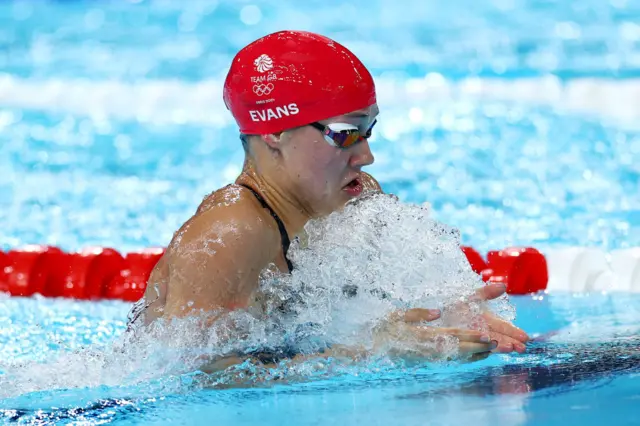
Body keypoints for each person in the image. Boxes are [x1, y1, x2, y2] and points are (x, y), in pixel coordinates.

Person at [127, 30, 529, 370]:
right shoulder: (231, 233)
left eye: (368, 129)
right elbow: (194, 379)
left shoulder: (355, 200)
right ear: (275, 133)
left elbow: (372, 313)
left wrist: (446, 315)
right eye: (345, 133)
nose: (366, 155)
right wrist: (373, 353)